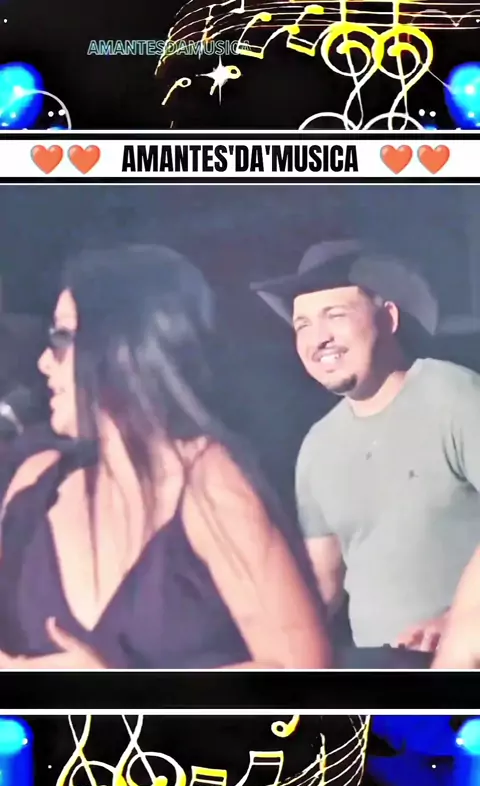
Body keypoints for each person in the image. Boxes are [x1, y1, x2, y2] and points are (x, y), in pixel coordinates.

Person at [0, 243, 332, 671]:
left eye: (62, 337)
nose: (45, 362)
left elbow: (299, 666)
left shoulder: (209, 482)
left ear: (125, 345)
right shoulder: (35, 485)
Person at [251, 240, 480, 666]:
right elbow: (322, 582)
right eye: (302, 325)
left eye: (334, 315)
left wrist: (462, 622)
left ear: (388, 318)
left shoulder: (455, 395)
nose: (318, 338)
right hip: (377, 668)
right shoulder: (318, 445)